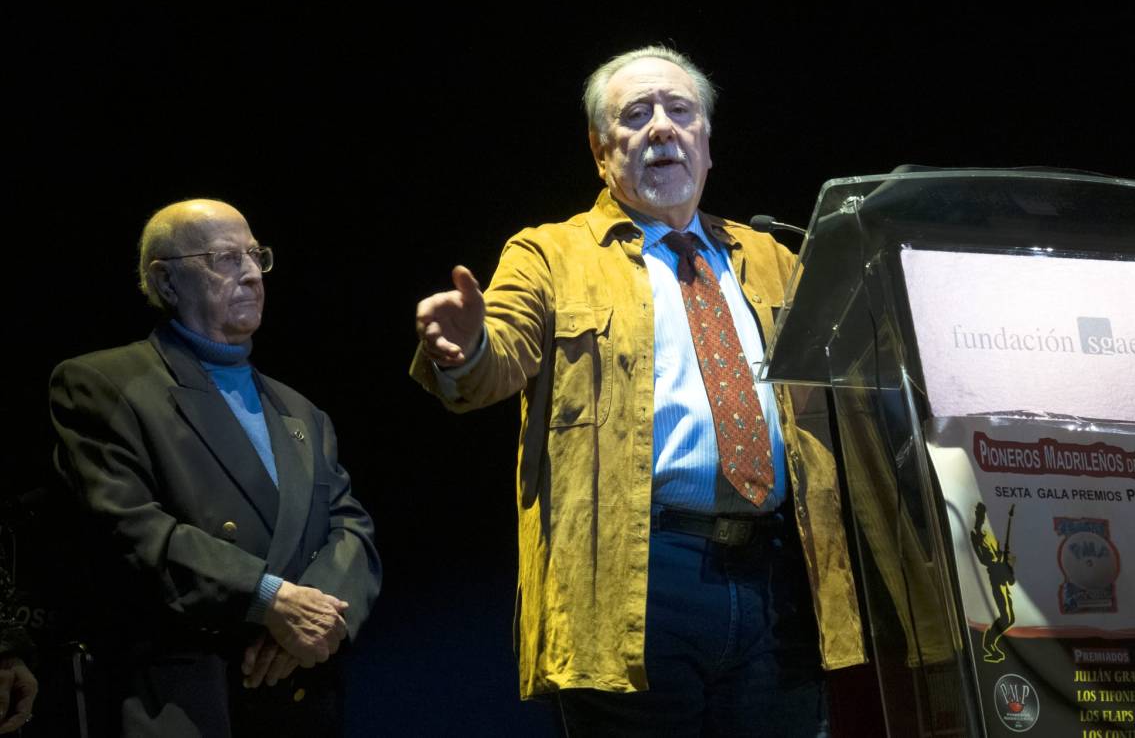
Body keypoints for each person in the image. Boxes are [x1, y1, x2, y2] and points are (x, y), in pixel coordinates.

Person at [412, 46, 865, 735]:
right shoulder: (549, 255)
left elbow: (851, 388)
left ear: (706, 144)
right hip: (637, 575)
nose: (661, 127)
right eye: (636, 115)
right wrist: (467, 347)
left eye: (680, 111)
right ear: (601, 151)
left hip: (780, 577)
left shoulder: (773, 255)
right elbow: (497, 359)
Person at [50, 199, 381, 737]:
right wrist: (268, 600)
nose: (252, 274)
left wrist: (313, 624)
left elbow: (350, 528)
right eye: (226, 258)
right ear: (167, 280)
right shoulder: (104, 383)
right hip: (189, 696)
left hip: (298, 693)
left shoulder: (301, 411)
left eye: (256, 255)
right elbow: (129, 528)